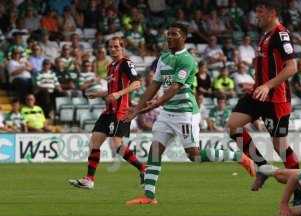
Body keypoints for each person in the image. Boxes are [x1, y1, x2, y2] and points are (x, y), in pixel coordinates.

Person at [123, 23, 254, 205]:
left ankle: (238, 157)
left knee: (194, 155)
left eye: (174, 34)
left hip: (185, 113)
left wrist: (144, 109)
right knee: (155, 149)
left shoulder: (188, 60)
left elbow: (174, 89)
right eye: (168, 34)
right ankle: (149, 196)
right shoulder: (163, 58)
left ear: (184, 37)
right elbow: (154, 85)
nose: (169, 37)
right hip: (168, 113)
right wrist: (138, 107)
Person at [227, 1, 301, 204]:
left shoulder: (281, 34)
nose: (257, 16)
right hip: (258, 93)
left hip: (276, 98)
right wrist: (258, 84)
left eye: (260, 12)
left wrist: (267, 86)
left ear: (272, 13)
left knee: (280, 146)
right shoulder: (266, 35)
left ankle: (299, 191)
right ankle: (262, 167)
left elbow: (292, 67)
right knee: (234, 125)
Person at [68, 36, 145, 189]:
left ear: (122, 47)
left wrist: (118, 94)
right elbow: (111, 91)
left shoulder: (126, 63)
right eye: (111, 47)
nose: (113, 49)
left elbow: (137, 83)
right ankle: (89, 179)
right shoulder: (111, 66)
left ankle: (144, 168)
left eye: (116, 46)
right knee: (94, 142)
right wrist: (99, 94)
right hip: (108, 111)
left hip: (120, 111)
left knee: (116, 144)